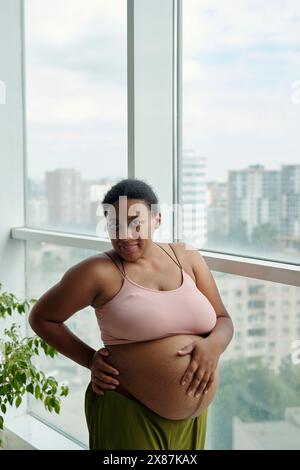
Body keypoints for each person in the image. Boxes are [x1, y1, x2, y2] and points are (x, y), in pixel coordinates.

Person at [29, 178, 234, 450]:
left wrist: (212, 347)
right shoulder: (97, 272)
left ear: (157, 219)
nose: (124, 234)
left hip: (194, 421)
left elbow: (223, 319)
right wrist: (90, 359)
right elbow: (42, 318)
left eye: (135, 222)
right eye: (114, 224)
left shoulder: (187, 257)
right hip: (129, 411)